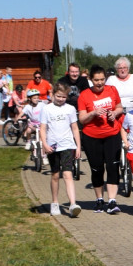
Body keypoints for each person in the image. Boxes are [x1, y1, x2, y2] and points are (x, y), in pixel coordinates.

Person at [77, 64, 124, 214]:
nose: (100, 83)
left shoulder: (112, 90)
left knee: (112, 166)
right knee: (97, 169)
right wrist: (93, 113)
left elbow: (120, 107)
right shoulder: (84, 95)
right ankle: (99, 200)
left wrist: (114, 114)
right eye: (96, 80)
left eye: (102, 79)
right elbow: (82, 119)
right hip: (92, 137)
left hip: (112, 134)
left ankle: (112, 201)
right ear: (91, 79)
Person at [41, 82, 83, 218]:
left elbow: (75, 128)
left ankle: (72, 204)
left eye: (64, 97)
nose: (61, 99)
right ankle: (54, 203)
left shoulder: (70, 109)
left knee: (68, 174)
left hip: (67, 145)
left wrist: (78, 146)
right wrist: (44, 144)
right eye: (58, 96)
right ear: (53, 94)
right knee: (55, 175)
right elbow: (43, 128)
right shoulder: (47, 109)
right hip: (53, 146)